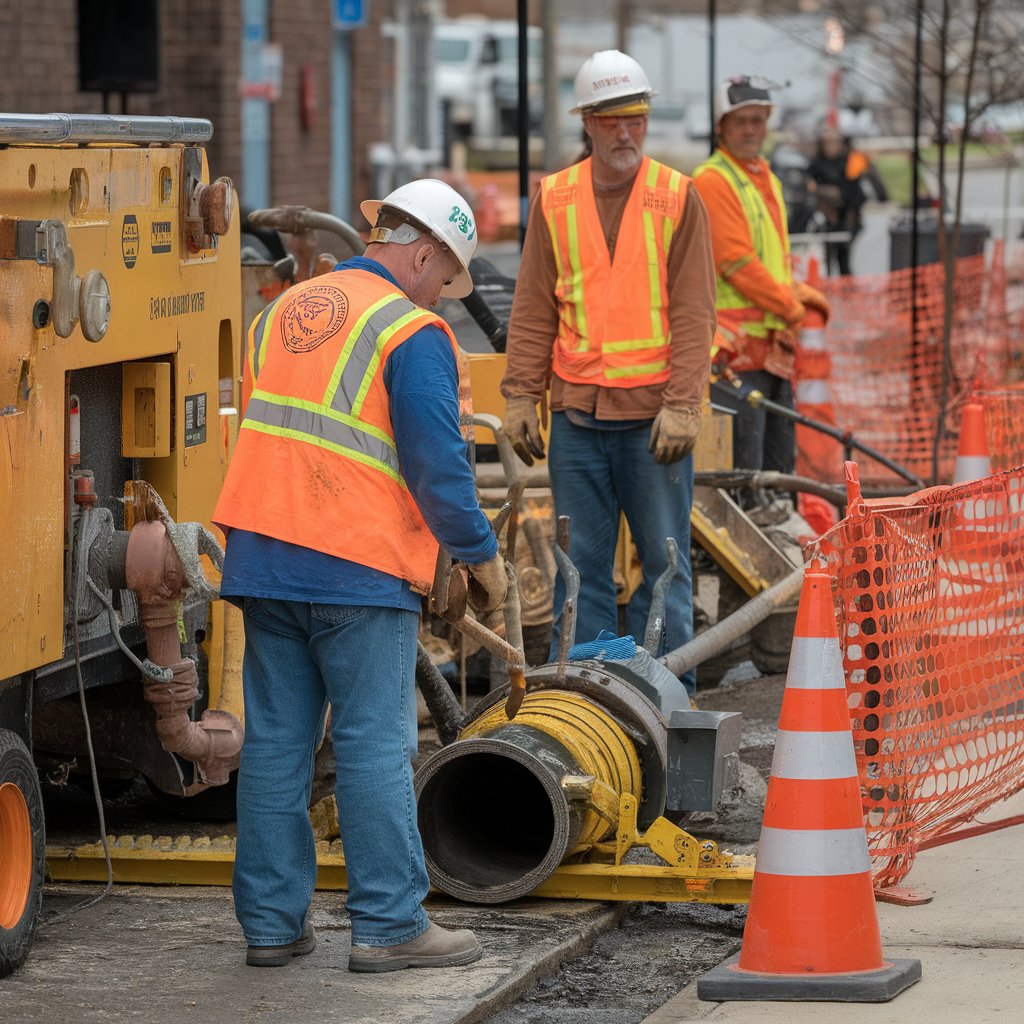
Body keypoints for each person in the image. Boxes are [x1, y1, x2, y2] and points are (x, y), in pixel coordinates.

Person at [213, 178, 507, 972]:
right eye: (443, 279)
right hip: (353, 566)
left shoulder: (280, 314)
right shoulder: (407, 332)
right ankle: (390, 925)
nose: (441, 297)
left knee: (277, 743)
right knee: (375, 744)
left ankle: (272, 927)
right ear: (422, 252)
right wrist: (478, 553)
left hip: (262, 558)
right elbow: (438, 466)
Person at [500, 49, 717, 696]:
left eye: (638, 120)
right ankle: (599, 701)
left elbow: (695, 311)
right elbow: (534, 305)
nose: (627, 133)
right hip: (578, 420)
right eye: (614, 120)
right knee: (582, 570)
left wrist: (684, 403)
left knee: (666, 566)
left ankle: (670, 702)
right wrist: (520, 395)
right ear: (589, 122)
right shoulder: (556, 199)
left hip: (653, 419)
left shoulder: (678, 198)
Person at [692, 76, 831, 487]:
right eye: (741, 121)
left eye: (759, 119)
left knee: (778, 470)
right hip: (735, 355)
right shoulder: (713, 179)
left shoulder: (763, 177)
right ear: (722, 127)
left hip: (768, 350)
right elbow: (735, 262)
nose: (752, 129)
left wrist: (800, 295)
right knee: (746, 475)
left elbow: (772, 260)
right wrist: (791, 307)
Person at [807, 126, 889, 276]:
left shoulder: (851, 160)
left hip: (849, 219)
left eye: (835, 142)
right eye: (828, 143)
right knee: (827, 259)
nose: (831, 146)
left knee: (844, 258)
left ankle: (846, 286)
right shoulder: (816, 164)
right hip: (826, 220)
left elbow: (858, 191)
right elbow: (810, 188)